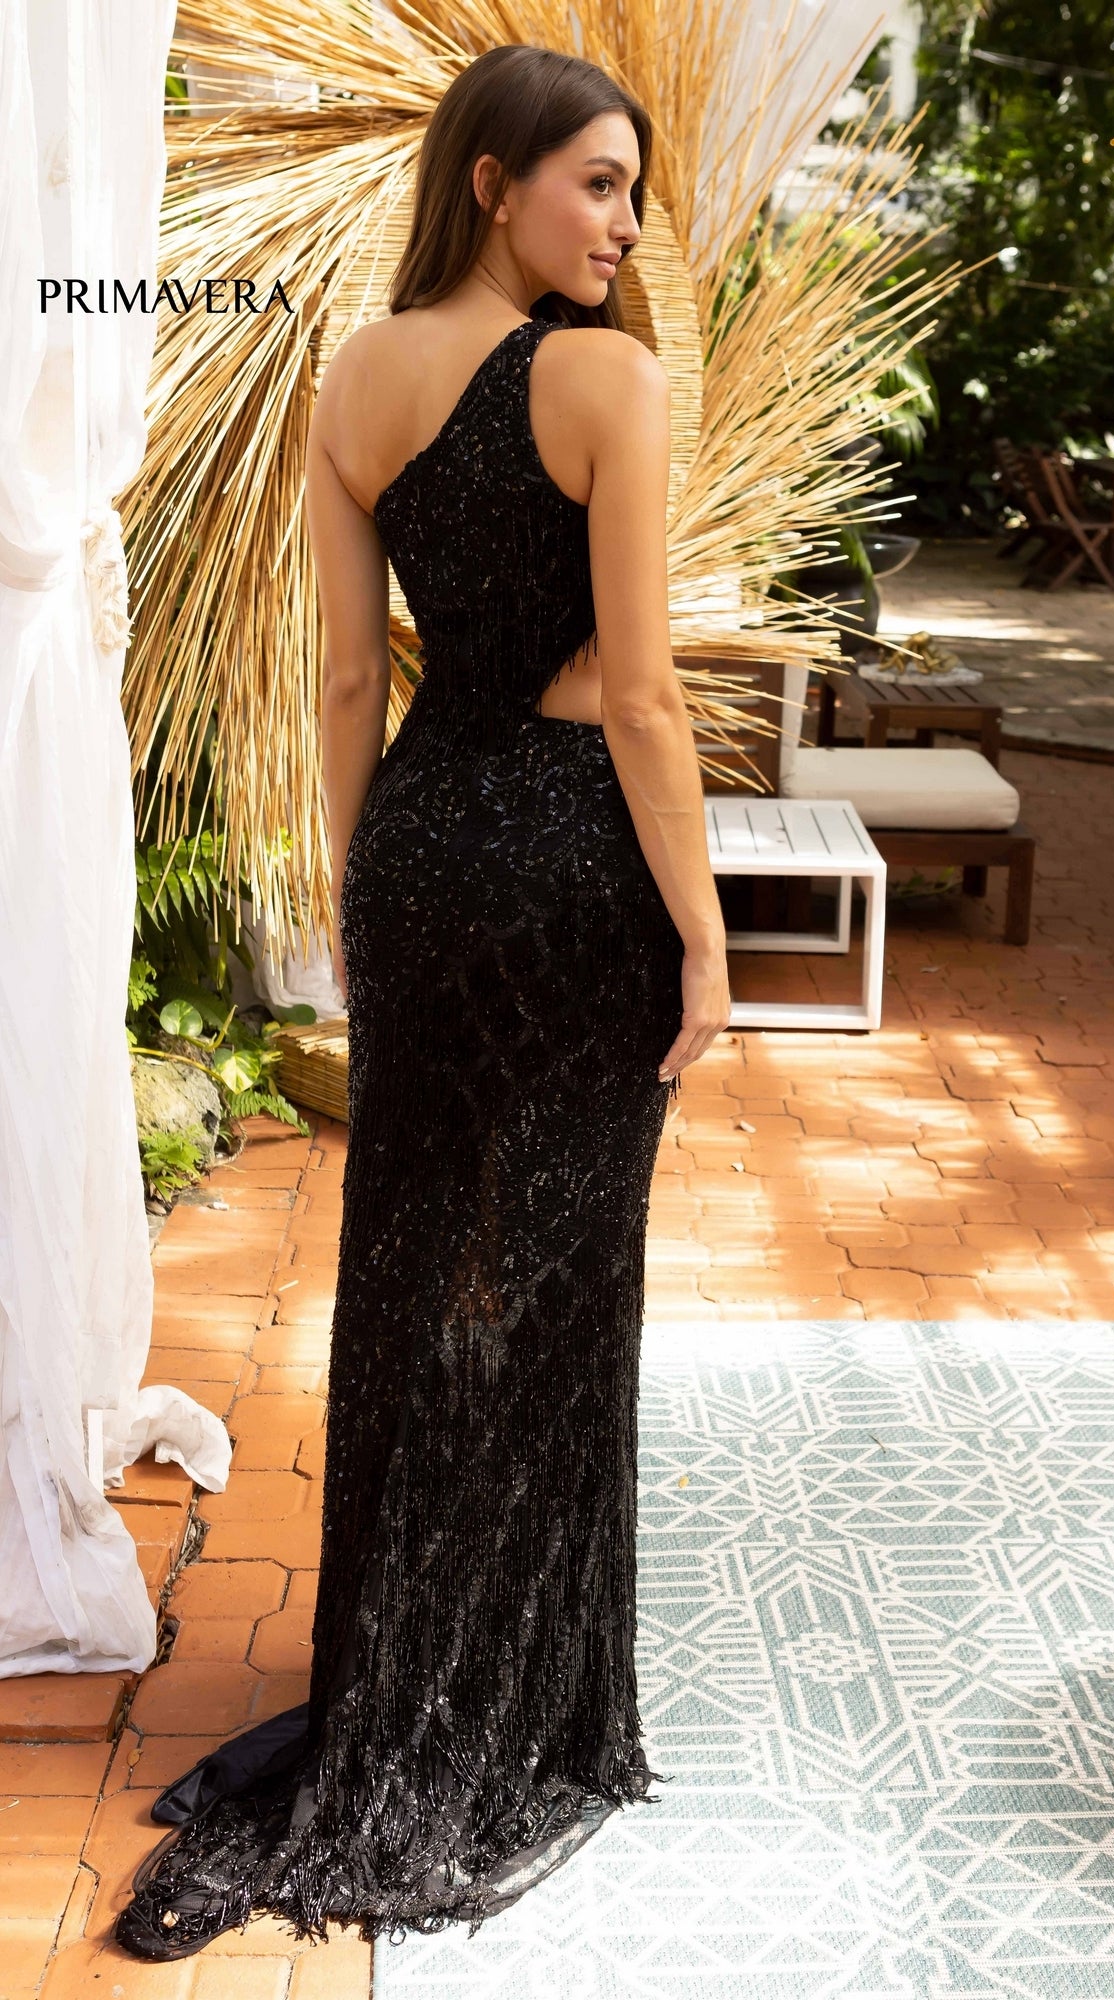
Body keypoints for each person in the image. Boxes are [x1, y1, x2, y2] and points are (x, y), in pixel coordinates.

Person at [114, 42, 729, 1961]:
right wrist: (707, 935)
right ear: (494, 181)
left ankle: (402, 1677)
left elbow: (340, 690)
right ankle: (511, 1707)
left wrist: (376, 886)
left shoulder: (349, 380)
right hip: (570, 872)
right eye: (601, 185)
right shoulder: (602, 381)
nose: (626, 226)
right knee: (546, 1278)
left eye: (632, 193)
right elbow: (638, 703)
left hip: (418, 855)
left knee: (414, 1271)